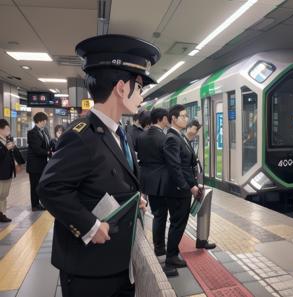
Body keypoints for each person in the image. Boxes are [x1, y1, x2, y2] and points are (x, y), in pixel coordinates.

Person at [37, 34, 160, 297]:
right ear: (120, 88)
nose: (142, 95)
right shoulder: (82, 136)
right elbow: (50, 189)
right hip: (89, 271)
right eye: (139, 87)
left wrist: (133, 199)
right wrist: (90, 227)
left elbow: (106, 180)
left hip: (118, 261)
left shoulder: (119, 132)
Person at [135, 108, 177, 275]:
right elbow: (169, 161)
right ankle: (159, 247)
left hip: (146, 180)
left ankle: (159, 246)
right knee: (161, 214)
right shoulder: (164, 138)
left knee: (157, 213)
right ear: (162, 119)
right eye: (167, 118)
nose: (168, 121)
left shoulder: (141, 136)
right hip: (162, 181)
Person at [163, 104, 202, 271]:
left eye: (186, 116)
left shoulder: (180, 136)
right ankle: (171, 257)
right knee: (178, 223)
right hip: (178, 191)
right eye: (183, 116)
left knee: (178, 222)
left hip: (181, 188)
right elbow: (176, 167)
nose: (186, 118)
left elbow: (186, 163)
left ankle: (173, 250)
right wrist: (188, 187)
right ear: (174, 118)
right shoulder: (172, 138)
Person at [183, 119, 215, 250]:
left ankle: (201, 240)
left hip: (192, 182)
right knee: (179, 221)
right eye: (195, 129)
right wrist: (192, 186)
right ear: (189, 127)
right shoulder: (181, 140)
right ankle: (172, 253)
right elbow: (182, 167)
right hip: (186, 185)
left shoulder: (188, 141)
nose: (196, 133)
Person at [0, 119, 25, 222]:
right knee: (0, 194)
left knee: (4, 194)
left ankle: (1, 213)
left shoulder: (8, 139)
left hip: (7, 172)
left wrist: (18, 163)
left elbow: (14, 155)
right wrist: (6, 148)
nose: (8, 130)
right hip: (1, 173)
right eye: (7, 128)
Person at [26, 112, 50, 211]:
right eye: (45, 121)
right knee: (35, 185)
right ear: (40, 121)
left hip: (42, 164)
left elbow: (48, 144)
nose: (46, 123)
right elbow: (37, 149)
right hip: (35, 165)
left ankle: (40, 203)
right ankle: (35, 205)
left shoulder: (44, 131)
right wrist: (49, 153)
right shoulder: (32, 133)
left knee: (40, 185)